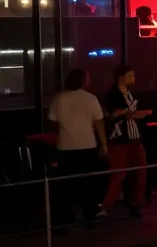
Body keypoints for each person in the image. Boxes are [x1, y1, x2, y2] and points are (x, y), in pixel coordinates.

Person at [49, 68, 109, 225]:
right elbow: (99, 123)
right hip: (87, 145)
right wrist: (104, 144)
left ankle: (65, 218)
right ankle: (89, 216)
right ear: (83, 81)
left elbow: (52, 122)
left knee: (66, 184)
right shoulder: (90, 99)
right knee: (88, 184)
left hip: (65, 147)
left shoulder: (58, 98)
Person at [102, 64, 151, 217]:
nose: (133, 78)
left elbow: (125, 114)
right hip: (120, 138)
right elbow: (114, 114)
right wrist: (131, 113)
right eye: (130, 75)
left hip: (134, 136)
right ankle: (107, 205)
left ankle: (134, 202)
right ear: (121, 77)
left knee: (140, 171)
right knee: (119, 172)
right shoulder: (112, 95)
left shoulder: (132, 94)